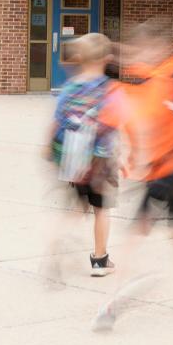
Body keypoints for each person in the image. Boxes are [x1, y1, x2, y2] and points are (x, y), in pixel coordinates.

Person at [93, 18, 173, 331]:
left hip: (166, 173)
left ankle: (110, 303)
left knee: (134, 236)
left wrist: (134, 158)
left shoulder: (162, 84)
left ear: (157, 49)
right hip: (172, 171)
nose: (135, 57)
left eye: (142, 50)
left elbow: (145, 117)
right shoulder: (168, 75)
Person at [46, 33, 120, 277]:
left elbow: (57, 121)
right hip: (100, 160)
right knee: (101, 209)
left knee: (77, 207)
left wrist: (48, 147)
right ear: (107, 59)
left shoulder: (70, 88)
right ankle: (100, 261)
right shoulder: (109, 90)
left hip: (74, 159)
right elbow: (116, 122)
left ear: (80, 58)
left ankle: (57, 243)